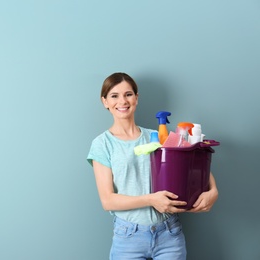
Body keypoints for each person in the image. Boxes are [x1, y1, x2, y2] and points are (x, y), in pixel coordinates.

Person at [87, 72, 219, 260]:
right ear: (105, 102)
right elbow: (108, 200)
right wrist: (151, 199)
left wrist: (213, 190)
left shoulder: (158, 137)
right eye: (114, 96)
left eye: (128, 94)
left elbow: (194, 165)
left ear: (136, 98)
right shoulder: (102, 144)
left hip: (169, 235)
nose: (122, 101)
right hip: (128, 238)